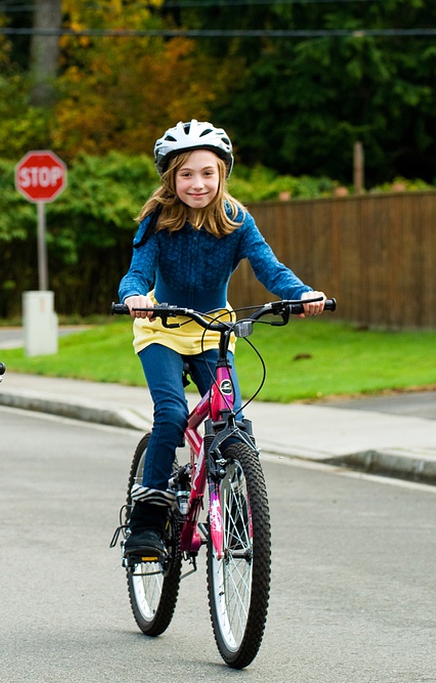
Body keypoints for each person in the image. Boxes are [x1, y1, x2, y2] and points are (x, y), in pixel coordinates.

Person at [117, 120, 327, 558]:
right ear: (170, 177)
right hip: (162, 328)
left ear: (222, 174)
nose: (197, 183)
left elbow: (269, 268)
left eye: (207, 173)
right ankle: (147, 523)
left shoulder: (237, 221)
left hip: (214, 329)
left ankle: (234, 516)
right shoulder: (158, 221)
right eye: (186, 174)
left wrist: (302, 294)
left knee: (232, 421)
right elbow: (137, 272)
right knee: (172, 415)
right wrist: (134, 296)